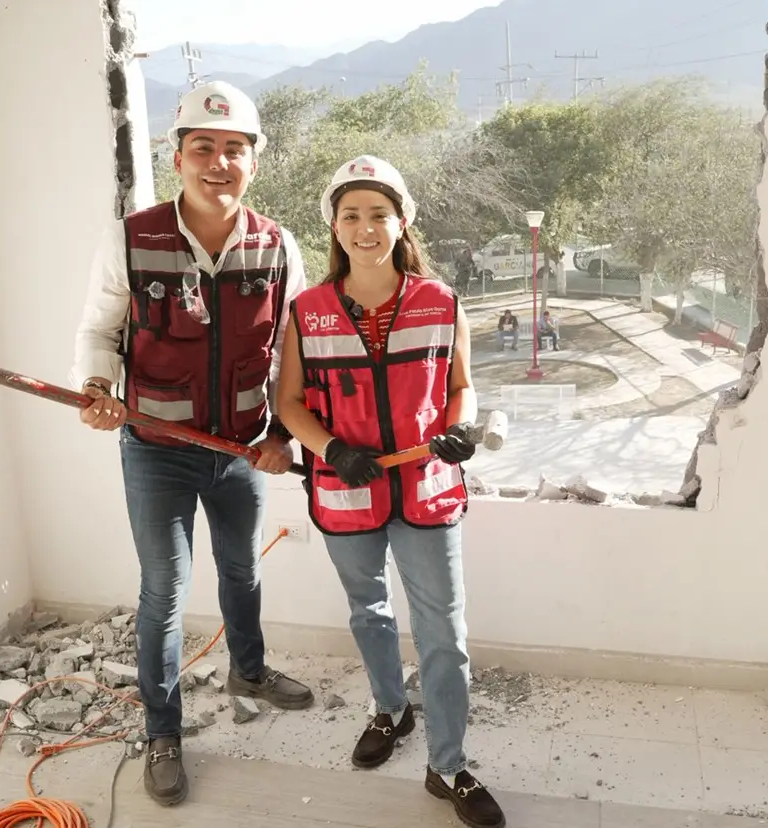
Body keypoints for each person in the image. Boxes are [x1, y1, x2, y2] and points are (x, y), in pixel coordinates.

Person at [69, 80, 314, 808]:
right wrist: (95, 387)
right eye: (203, 147)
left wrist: (275, 433)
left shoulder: (276, 246)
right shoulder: (131, 238)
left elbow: (289, 357)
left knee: (241, 572)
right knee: (165, 593)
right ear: (177, 157)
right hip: (156, 448)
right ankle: (163, 731)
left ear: (254, 162)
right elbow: (97, 330)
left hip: (240, 450)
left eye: (234, 149)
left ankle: (250, 669)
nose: (219, 162)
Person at [274, 155, 506, 828]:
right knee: (368, 611)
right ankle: (391, 709)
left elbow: (460, 385)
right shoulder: (307, 312)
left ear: (400, 222)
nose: (366, 227)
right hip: (347, 490)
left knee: (444, 632)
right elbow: (289, 403)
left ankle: (449, 766)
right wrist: (333, 449)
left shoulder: (440, 302)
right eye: (351, 215)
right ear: (334, 227)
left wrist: (459, 426)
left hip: (426, 487)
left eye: (379, 213)